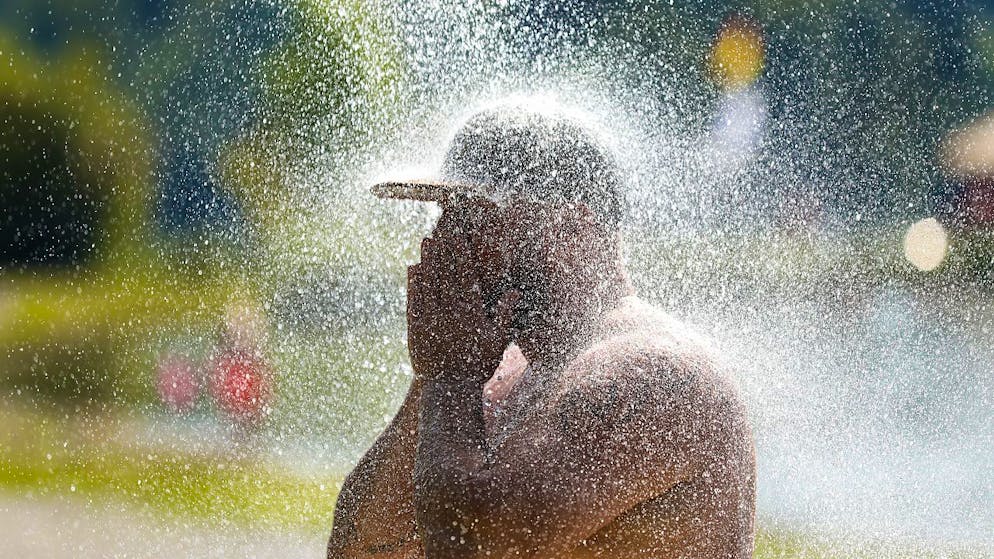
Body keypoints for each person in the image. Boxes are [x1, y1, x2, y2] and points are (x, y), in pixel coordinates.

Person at [328, 104, 756, 559]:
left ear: (575, 224)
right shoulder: (500, 377)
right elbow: (363, 548)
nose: (447, 240)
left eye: (475, 215)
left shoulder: (653, 373)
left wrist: (449, 376)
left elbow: (471, 548)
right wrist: (439, 370)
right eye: (445, 217)